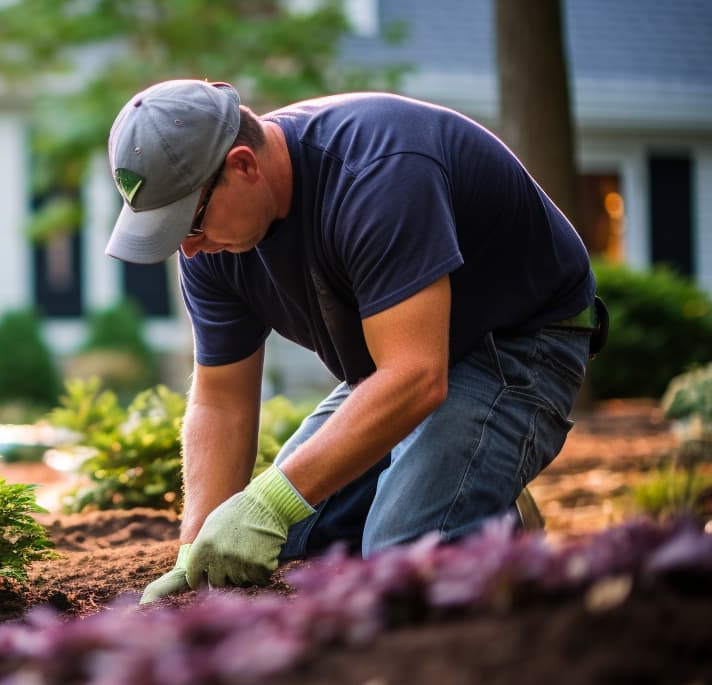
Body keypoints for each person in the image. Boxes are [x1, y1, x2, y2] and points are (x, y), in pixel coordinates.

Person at [103, 80, 604, 603]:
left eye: (191, 220)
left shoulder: (378, 173)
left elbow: (416, 376)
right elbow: (221, 399)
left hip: (519, 340)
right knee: (282, 541)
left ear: (244, 166)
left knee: (399, 558)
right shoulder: (212, 248)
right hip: (401, 361)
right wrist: (198, 548)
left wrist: (268, 504)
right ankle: (471, 485)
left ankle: (494, 520)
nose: (189, 246)